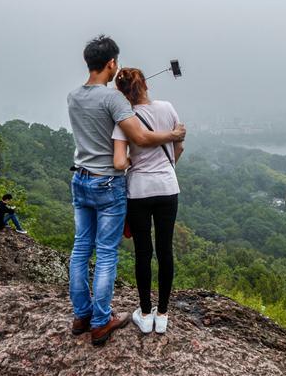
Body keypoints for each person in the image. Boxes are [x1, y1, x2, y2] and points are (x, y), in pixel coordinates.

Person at [67, 35, 186, 346]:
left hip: (80, 178)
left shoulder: (73, 97)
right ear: (110, 63)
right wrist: (173, 134)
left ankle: (81, 314)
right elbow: (142, 140)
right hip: (109, 182)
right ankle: (102, 319)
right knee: (108, 252)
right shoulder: (115, 102)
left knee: (82, 248)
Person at [112, 68, 184, 335]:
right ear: (144, 85)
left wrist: (138, 162)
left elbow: (120, 161)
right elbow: (180, 144)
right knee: (165, 250)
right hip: (167, 187)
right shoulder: (167, 108)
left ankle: (144, 313)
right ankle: (162, 315)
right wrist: (167, 168)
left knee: (144, 252)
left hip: (139, 190)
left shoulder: (124, 118)